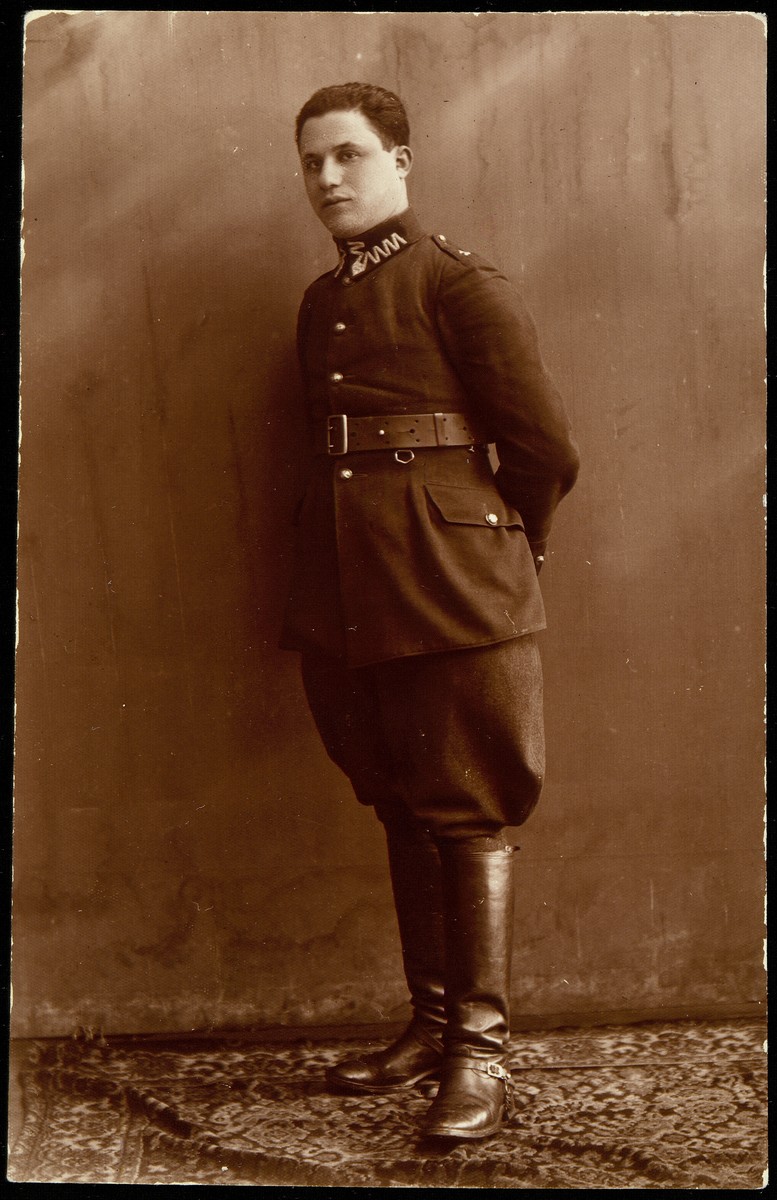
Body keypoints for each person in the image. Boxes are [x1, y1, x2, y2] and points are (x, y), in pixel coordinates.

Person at [280, 82, 579, 1141]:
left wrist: (502, 554)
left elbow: (543, 449)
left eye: (348, 156)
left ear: (400, 162)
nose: (327, 180)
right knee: (401, 804)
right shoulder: (323, 303)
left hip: (455, 593)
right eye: (311, 162)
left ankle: (479, 1052)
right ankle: (430, 1019)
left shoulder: (459, 285)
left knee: (465, 807)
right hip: (348, 594)